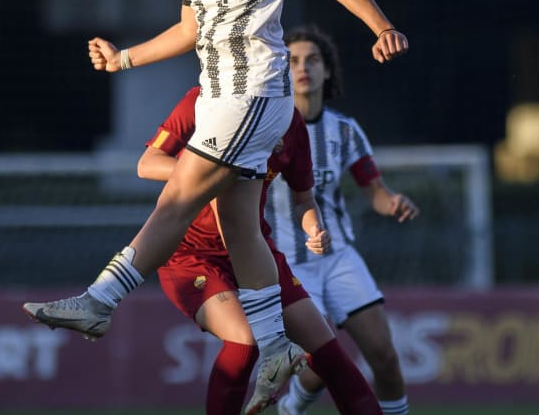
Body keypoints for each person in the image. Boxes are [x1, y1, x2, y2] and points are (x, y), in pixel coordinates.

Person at [23, 0, 408, 410]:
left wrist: (382, 28)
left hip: (255, 96)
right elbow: (190, 31)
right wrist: (124, 58)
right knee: (241, 227)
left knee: (175, 200)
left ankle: (99, 301)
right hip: (217, 98)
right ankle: (276, 349)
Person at [141, 86, 382, 415]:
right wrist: (207, 176)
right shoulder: (204, 98)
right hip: (192, 255)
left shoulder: (288, 122)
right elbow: (148, 163)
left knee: (330, 355)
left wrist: (314, 228)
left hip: (253, 251)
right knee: (243, 342)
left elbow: (304, 199)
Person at [270, 25, 418, 415]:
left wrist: (395, 203)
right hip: (288, 263)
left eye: (313, 60)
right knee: (326, 354)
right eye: (292, 61)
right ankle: (292, 407)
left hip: (338, 257)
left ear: (328, 70)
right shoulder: (266, 129)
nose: (302, 68)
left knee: (384, 356)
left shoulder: (346, 131)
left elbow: (376, 193)